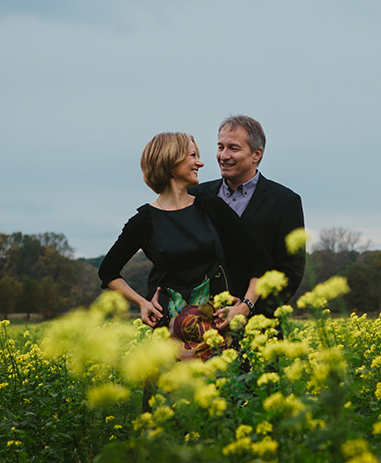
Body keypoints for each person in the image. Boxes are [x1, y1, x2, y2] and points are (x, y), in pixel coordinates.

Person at [98, 132, 272, 355]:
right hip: (168, 334)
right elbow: (108, 271)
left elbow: (260, 259)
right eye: (193, 155)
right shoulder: (144, 221)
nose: (200, 162)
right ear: (171, 162)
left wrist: (244, 306)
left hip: (218, 331)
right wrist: (143, 303)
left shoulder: (211, 208)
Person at [191, 115, 305, 320]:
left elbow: (290, 271)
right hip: (199, 324)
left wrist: (249, 310)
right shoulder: (195, 196)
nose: (223, 156)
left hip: (258, 328)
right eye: (220, 147)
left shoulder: (285, 201)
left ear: (256, 154)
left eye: (233, 148)